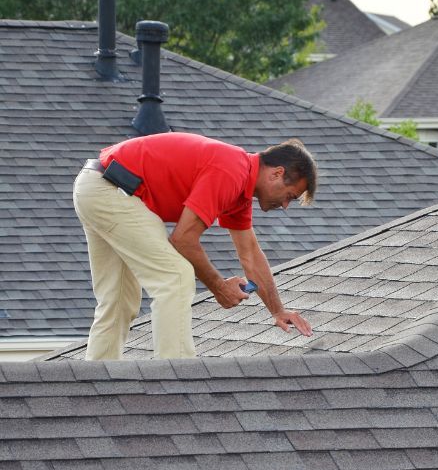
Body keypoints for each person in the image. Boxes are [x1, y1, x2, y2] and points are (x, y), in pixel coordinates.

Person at [73, 132, 316, 360]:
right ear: (276, 173)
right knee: (176, 277)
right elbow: (183, 240)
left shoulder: (239, 188)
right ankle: (176, 381)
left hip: (97, 186)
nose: (285, 205)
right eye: (289, 196)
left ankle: (97, 379)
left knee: (118, 301)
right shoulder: (231, 171)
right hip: (112, 191)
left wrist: (277, 311)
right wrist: (219, 287)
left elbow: (250, 253)